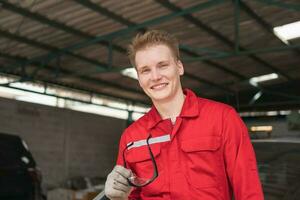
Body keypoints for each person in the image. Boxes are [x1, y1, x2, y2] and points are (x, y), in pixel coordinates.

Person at [103, 30, 264, 200]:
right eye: (145, 70)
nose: (155, 76)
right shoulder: (132, 137)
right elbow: (131, 195)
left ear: (179, 67)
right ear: (139, 78)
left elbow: (248, 191)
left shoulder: (222, 118)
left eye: (162, 65)